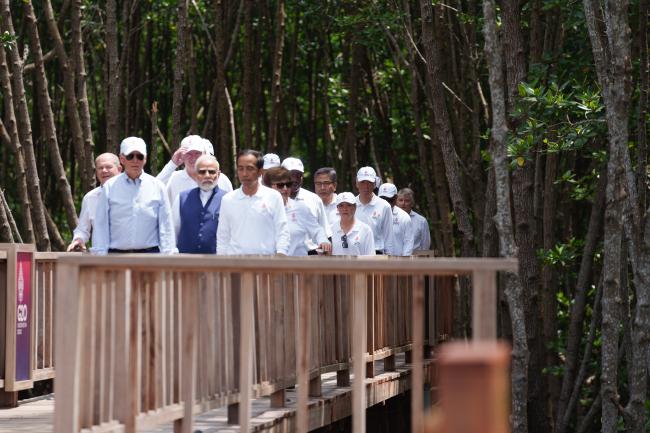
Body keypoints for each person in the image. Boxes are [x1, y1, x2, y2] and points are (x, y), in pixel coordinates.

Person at [91, 137, 176, 254]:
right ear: (122, 158)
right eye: (130, 156)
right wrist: (99, 254)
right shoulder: (109, 187)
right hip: (115, 255)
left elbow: (166, 225)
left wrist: (169, 254)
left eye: (140, 156)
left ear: (145, 159)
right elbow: (101, 225)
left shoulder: (158, 187)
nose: (135, 160)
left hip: (150, 255)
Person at [216, 149, 289, 255]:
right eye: (241, 169)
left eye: (250, 169)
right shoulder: (228, 199)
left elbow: (282, 230)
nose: (245, 174)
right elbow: (223, 236)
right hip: (235, 265)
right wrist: (222, 266)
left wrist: (281, 254)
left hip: (266, 265)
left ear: (260, 172)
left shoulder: (273, 197)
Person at [263, 167, 331, 256]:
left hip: (297, 265)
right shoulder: (261, 210)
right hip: (267, 265)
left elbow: (317, 230)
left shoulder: (300, 208)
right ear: (268, 187)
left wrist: (323, 241)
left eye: (288, 184)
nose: (285, 188)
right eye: (280, 185)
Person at [66, 153, 122, 252]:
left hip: (128, 257)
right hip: (100, 257)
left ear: (119, 169)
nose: (104, 170)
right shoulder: (90, 197)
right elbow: (83, 229)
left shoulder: (131, 193)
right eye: (100, 168)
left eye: (108, 167)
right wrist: (79, 239)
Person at [172, 155, 226, 254]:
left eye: (211, 172)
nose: (207, 175)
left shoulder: (228, 200)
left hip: (217, 263)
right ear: (196, 175)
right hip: (185, 263)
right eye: (202, 172)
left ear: (218, 174)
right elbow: (173, 232)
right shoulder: (181, 198)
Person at [164, 136, 233, 206]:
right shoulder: (174, 178)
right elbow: (154, 191)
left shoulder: (222, 179)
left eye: (197, 153)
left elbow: (230, 208)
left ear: (205, 154)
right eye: (189, 154)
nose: (193, 157)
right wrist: (172, 164)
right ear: (182, 156)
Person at [281, 157, 332, 253]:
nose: (295, 179)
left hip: (309, 256)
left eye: (298, 175)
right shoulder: (270, 200)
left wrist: (324, 242)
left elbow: (321, 231)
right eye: (292, 175)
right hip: (277, 258)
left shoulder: (313, 200)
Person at [354, 166, 393, 255]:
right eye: (362, 182)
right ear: (357, 183)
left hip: (376, 253)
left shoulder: (384, 206)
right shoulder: (350, 204)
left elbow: (389, 236)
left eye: (369, 182)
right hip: (354, 254)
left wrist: (389, 258)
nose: (366, 186)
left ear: (375, 184)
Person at [378, 183, 414, 256]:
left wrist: (403, 263)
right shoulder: (372, 215)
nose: (386, 202)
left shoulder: (404, 217)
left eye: (389, 199)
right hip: (374, 262)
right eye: (383, 199)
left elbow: (408, 243)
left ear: (395, 198)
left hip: (397, 263)